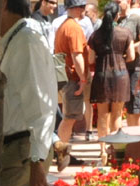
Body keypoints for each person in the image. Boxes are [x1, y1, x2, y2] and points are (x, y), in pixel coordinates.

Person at [0, 0, 58, 186]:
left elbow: (40, 104)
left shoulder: (26, 40)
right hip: (17, 148)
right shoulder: (18, 38)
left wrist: (36, 161)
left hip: (23, 150)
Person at [88, 1, 135, 142]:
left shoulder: (95, 35)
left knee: (102, 115)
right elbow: (131, 56)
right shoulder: (125, 33)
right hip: (120, 75)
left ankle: (102, 149)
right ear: (117, 15)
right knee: (117, 114)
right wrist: (120, 59)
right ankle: (114, 149)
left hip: (102, 75)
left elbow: (90, 59)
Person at [54, 0, 90, 143]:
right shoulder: (73, 28)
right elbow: (77, 55)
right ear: (75, 8)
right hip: (72, 78)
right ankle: (62, 151)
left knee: (69, 116)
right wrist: (82, 79)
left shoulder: (64, 26)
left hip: (67, 76)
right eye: (82, 7)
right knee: (69, 118)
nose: (84, 10)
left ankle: (63, 150)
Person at [118, 0, 140, 126]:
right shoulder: (117, 21)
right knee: (128, 107)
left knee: (136, 107)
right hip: (121, 68)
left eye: (119, 1)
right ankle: (131, 139)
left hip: (135, 67)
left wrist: (128, 49)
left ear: (128, 1)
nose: (117, 4)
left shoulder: (137, 19)